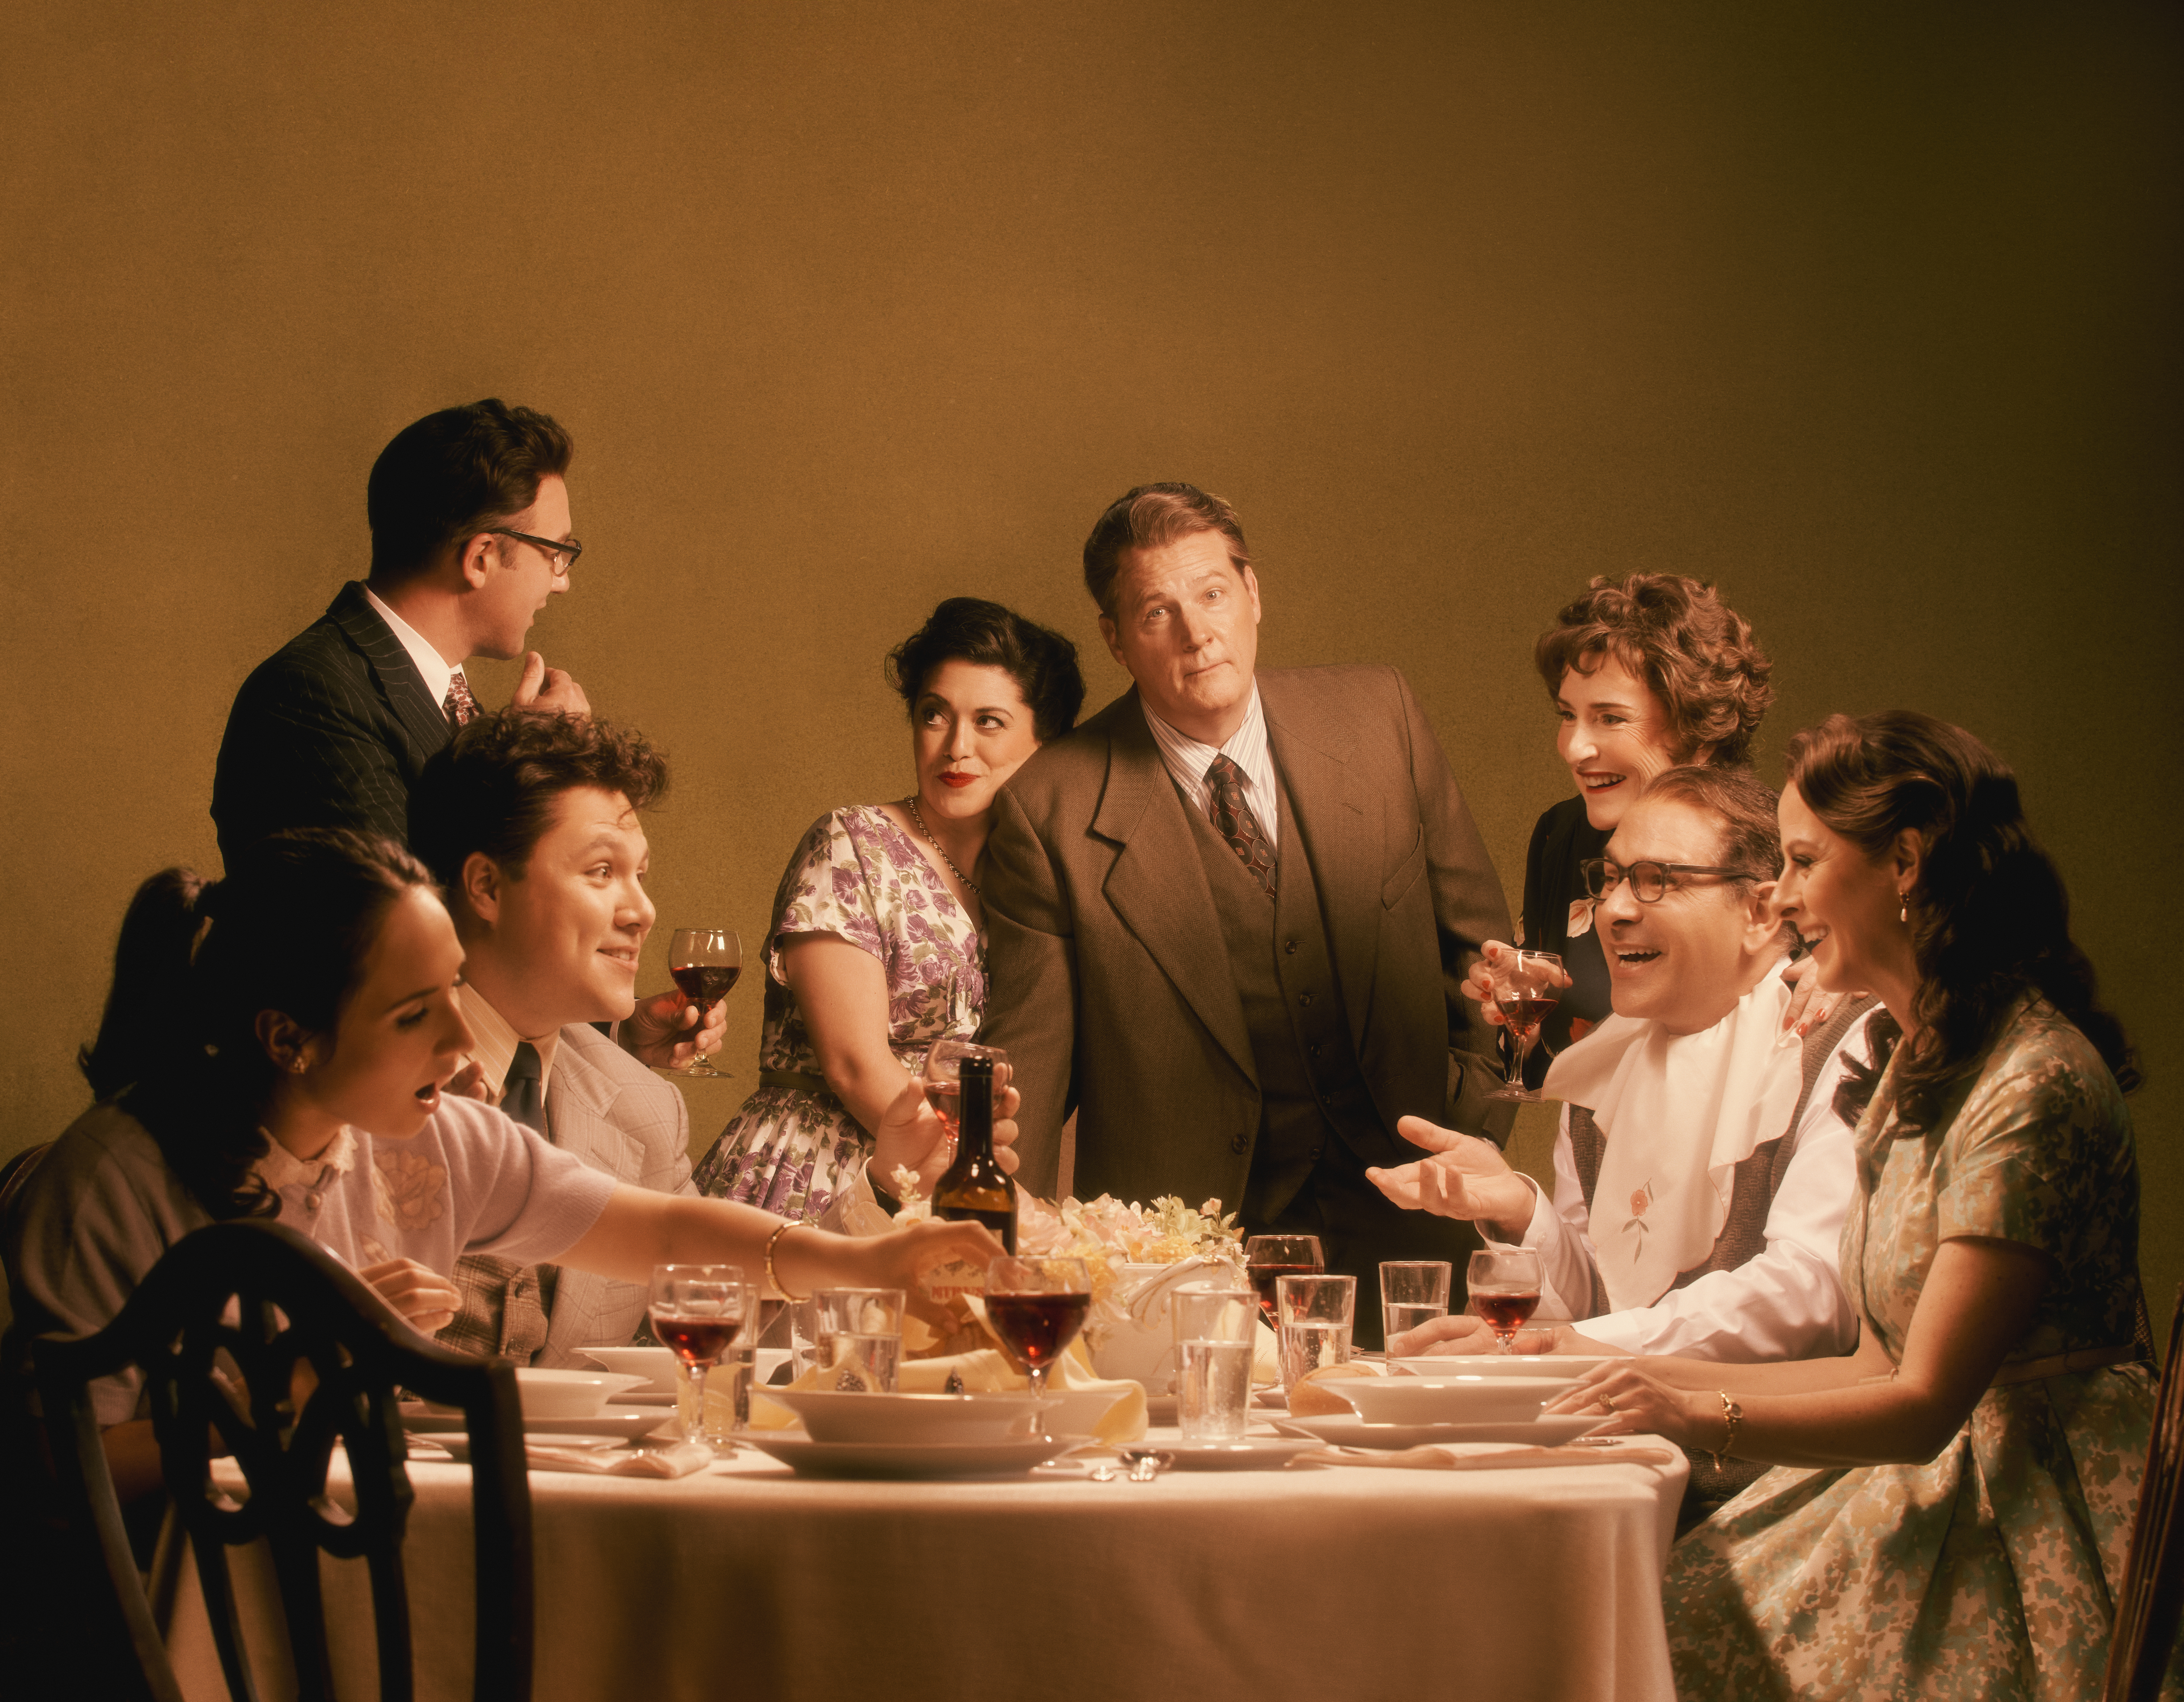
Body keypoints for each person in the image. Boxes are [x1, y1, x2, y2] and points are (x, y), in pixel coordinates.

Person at [3, 830, 1009, 1506]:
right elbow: (53, 1472)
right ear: (287, 1039)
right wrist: (293, 1387)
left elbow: (655, 1230)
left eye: (451, 991)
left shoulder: (426, 1135)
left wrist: (871, 1261)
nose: (458, 1036)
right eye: (412, 1014)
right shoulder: (115, 1182)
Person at [1545, 712, 2160, 1698]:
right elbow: (1871, 1358)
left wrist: (1691, 1412)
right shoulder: (1914, 1065)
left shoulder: (2031, 1084)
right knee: (1625, 1624)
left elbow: (1921, 1408)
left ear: (1905, 863)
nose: (1779, 898)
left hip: (2025, 1506)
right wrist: (1604, 1367)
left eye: (1798, 862)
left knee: (1655, 1648)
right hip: (1930, 1478)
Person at [977, 484, 1513, 1346]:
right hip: (1191, 1263)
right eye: (1158, 611)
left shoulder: (1380, 717)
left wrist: (1472, 1117)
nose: (1198, 633)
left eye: (1213, 595)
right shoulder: (1050, 806)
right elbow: (1029, 1077)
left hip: (1413, 1223)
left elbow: (1481, 950)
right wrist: (1018, 1279)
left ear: (1253, 595)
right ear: (1117, 639)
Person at [1370, 765, 1869, 1366]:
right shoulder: (1600, 1073)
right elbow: (1601, 1298)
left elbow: (1814, 1293)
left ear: (1762, 913)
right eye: (1609, 880)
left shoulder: (1837, 1043)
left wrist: (1576, 1347)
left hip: (1771, 1453)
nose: (1612, 911)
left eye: (1656, 881)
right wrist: (1523, 1212)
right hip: (1627, 1436)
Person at [691, 598, 1082, 1222]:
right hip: (818, 1170)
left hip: (943, 1183)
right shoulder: (851, 842)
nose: (957, 745)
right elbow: (852, 1065)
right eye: (935, 715)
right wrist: (980, 1177)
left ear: (1044, 743)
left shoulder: (1033, 886)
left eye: (989, 721)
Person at [408, 708, 717, 1365]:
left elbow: (720, 1291)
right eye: (602, 871)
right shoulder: (367, 1079)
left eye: (641, 874)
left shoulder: (644, 1106)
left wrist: (883, 1187)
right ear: (487, 886)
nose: (642, 910)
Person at [211, 398, 591, 864]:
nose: (562, 582)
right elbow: (414, 918)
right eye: (556, 553)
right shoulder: (309, 694)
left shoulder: (449, 701)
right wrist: (535, 768)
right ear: (481, 558)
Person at [1486, 574, 1775, 1087]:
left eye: (1610, 719)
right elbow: (1548, 1075)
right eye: (1567, 715)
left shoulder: (1779, 850)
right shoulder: (1561, 834)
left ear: (1695, 726)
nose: (1575, 749)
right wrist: (1527, 1019)